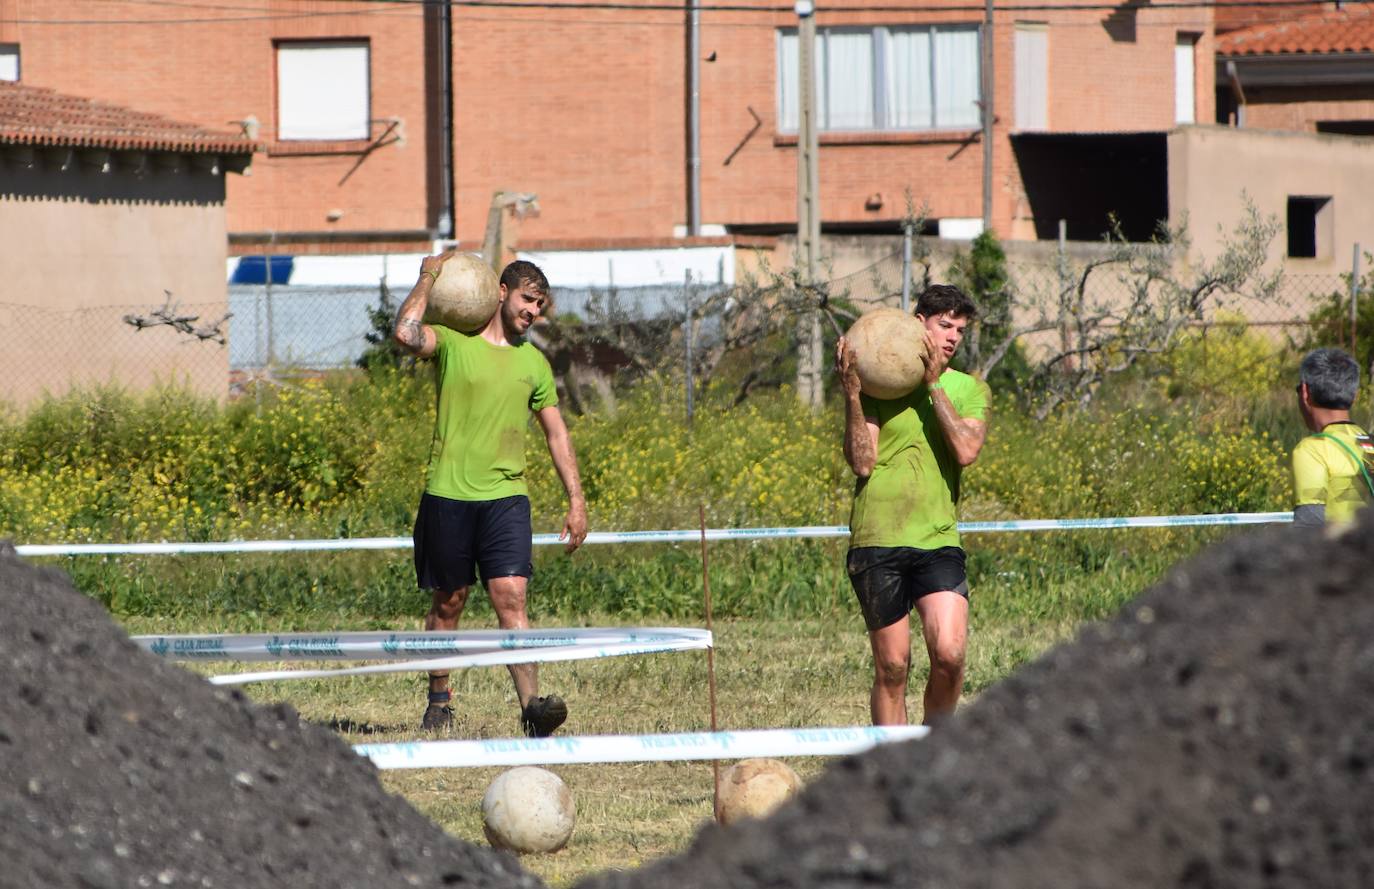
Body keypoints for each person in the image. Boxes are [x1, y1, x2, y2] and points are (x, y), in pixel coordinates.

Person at [393, 252, 588, 735]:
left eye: (540, 305)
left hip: (506, 498)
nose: (533, 311)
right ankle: (439, 701)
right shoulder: (454, 343)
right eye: (527, 299)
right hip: (448, 495)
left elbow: (557, 434)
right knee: (449, 603)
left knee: (512, 598)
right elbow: (405, 333)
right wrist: (428, 274)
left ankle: (533, 709)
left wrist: (576, 499)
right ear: (502, 292)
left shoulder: (534, 363)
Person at [835, 284, 990, 726]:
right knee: (892, 667)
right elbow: (863, 463)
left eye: (959, 330)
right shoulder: (878, 386)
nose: (952, 337)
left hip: (937, 540)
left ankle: (934, 748)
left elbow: (965, 450)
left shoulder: (969, 388)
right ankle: (893, 761)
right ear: (918, 323)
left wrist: (933, 384)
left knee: (950, 654)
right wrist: (852, 395)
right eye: (944, 325)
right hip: (877, 538)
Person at [1292, 347, 1373, 528]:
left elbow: (1310, 525)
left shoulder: (1312, 450)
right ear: (1355, 396)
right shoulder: (1370, 443)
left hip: (1344, 546)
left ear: (1305, 392)